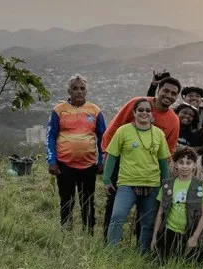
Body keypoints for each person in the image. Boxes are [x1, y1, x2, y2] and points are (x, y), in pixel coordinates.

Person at [100, 76, 182, 236]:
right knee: (114, 205)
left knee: (146, 211)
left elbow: (169, 151)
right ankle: (108, 241)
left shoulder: (173, 120)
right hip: (123, 164)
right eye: (166, 90)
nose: (169, 95)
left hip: (150, 172)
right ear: (158, 90)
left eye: (173, 93)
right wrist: (107, 155)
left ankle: (141, 246)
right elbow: (114, 128)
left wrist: (164, 177)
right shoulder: (137, 104)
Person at [102, 98, 170, 252]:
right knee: (117, 218)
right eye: (140, 110)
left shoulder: (158, 134)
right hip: (127, 183)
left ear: (152, 113)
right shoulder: (123, 131)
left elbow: (163, 161)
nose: (144, 113)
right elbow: (112, 156)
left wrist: (166, 183)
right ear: (134, 112)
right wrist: (106, 179)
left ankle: (144, 253)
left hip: (152, 184)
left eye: (147, 110)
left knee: (148, 223)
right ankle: (112, 252)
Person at [47, 74, 106, 234]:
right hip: (64, 165)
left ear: (86, 91)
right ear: (69, 91)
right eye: (75, 88)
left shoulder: (95, 110)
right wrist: (52, 161)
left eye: (82, 88)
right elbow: (51, 136)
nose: (79, 91)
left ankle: (89, 232)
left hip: (88, 166)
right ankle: (66, 232)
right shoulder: (59, 110)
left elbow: (103, 137)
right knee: (66, 200)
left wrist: (101, 161)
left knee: (87, 201)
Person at [152, 146, 203, 258]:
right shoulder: (167, 185)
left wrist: (194, 237)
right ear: (175, 165)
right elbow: (160, 213)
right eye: (181, 162)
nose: (184, 166)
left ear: (194, 165)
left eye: (188, 163)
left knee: (184, 264)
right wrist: (155, 237)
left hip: (188, 234)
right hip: (168, 232)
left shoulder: (201, 185)